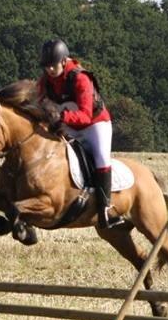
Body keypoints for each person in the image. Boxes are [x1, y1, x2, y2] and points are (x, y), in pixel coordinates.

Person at [37, 38, 123, 229]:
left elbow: (84, 116)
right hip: (68, 123)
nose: (49, 70)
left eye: (52, 66)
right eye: (46, 66)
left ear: (63, 61)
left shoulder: (80, 78)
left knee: (101, 159)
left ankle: (105, 210)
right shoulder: (46, 81)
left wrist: (61, 116)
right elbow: (39, 102)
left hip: (94, 124)